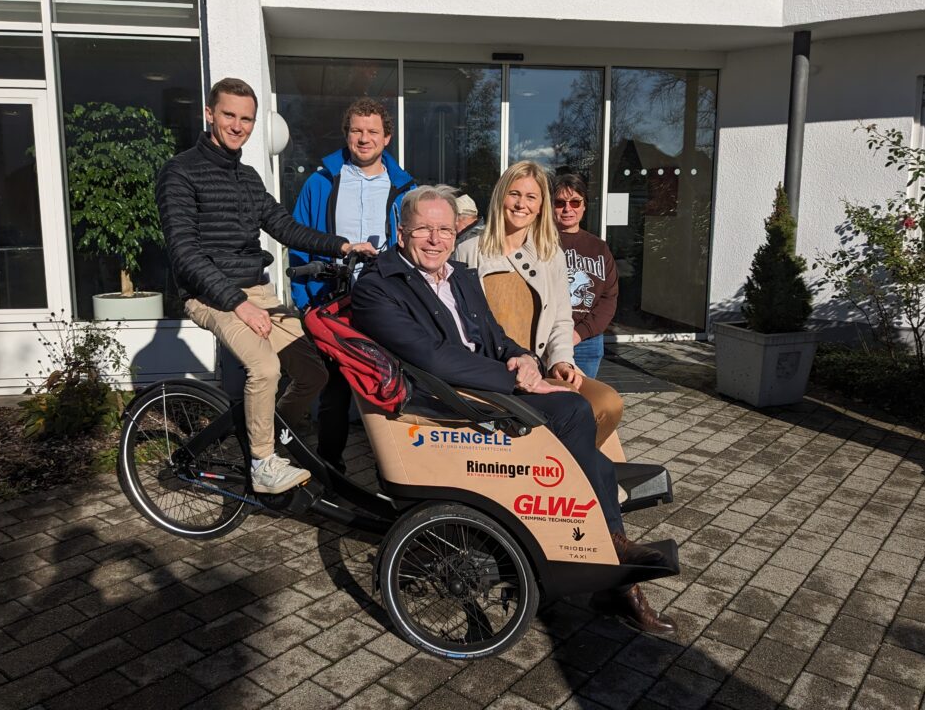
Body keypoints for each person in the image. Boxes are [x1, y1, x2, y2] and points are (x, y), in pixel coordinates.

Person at [351, 185, 676, 634]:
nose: (436, 239)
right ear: (402, 233)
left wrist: (522, 357)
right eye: (423, 229)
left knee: (579, 424)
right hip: (445, 397)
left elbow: (494, 334)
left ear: (455, 232)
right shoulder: (378, 286)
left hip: (482, 382)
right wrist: (516, 380)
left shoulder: (459, 275)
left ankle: (606, 551)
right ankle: (612, 558)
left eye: (444, 229)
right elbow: (433, 358)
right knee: (571, 412)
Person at [156, 77, 374, 495]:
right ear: (209, 114)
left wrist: (344, 246)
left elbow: (285, 227)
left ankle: (271, 435)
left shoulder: (248, 178)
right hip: (211, 296)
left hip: (257, 291)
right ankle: (261, 463)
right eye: (229, 115)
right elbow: (184, 254)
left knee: (313, 373)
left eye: (246, 119)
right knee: (265, 367)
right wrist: (238, 304)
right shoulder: (179, 172)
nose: (238, 126)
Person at [454, 162, 623, 449]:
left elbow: (561, 319)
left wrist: (561, 360)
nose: (522, 204)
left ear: (540, 205)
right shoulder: (469, 250)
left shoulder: (550, 255)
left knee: (607, 403)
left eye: (531, 197)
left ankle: (573, 466)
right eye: (514, 194)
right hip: (491, 376)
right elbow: (459, 321)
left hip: (540, 370)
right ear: (500, 197)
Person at [289, 98, 415, 473]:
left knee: (389, 384)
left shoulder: (405, 188)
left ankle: (393, 471)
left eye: (372, 131)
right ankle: (331, 467)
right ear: (346, 134)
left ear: (387, 137)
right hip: (330, 302)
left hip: (385, 302)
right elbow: (299, 241)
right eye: (356, 130)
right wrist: (304, 301)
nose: (364, 138)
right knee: (334, 391)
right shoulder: (320, 183)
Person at [552, 173, 619, 379]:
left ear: (584, 206)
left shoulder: (599, 248)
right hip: (547, 339)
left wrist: (580, 333)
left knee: (585, 395)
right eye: (560, 203)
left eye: (575, 202)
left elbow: (609, 298)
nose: (567, 209)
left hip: (587, 342)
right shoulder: (540, 243)